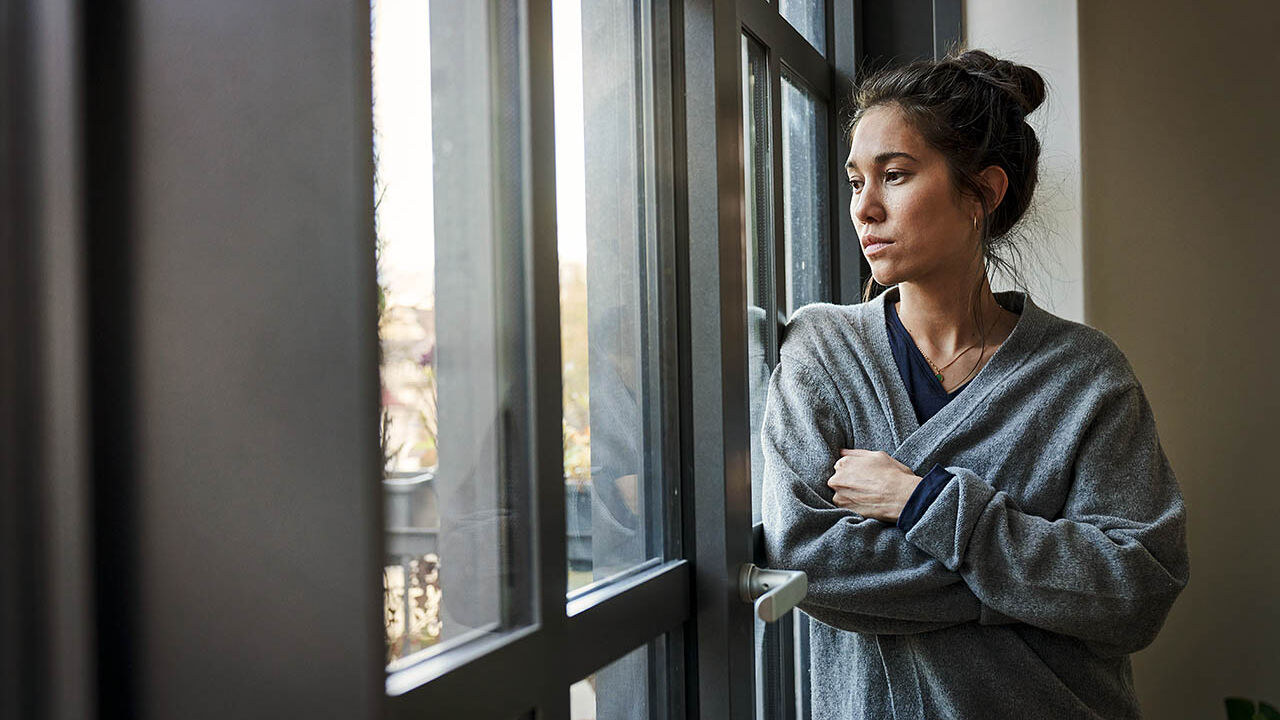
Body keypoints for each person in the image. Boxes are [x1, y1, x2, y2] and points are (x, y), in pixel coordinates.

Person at [759, 48, 1189, 719]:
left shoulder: (1084, 375)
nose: (864, 208)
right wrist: (1042, 588)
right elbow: (808, 559)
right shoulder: (823, 351)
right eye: (853, 182)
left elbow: (1135, 592)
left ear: (983, 193)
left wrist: (924, 503)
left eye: (894, 175)